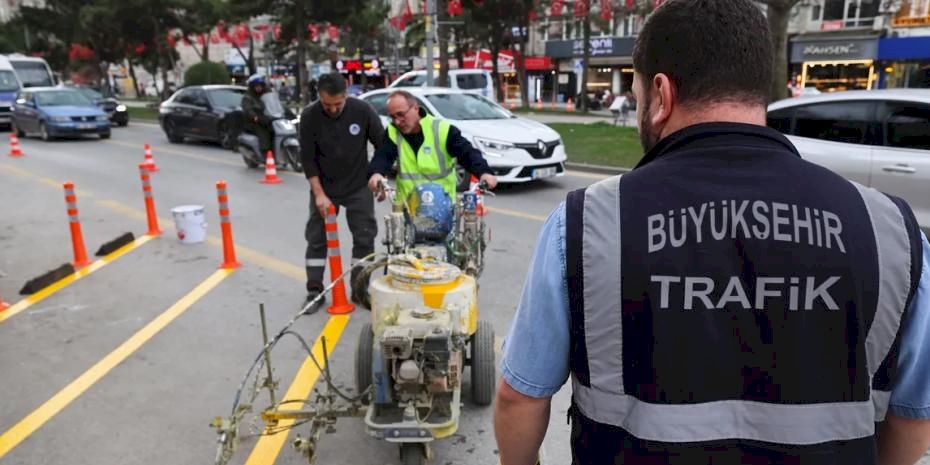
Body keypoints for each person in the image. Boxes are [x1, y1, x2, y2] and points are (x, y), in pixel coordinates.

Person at [493, 1, 930, 465]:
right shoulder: (891, 232)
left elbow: (519, 398)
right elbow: (914, 415)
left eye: (637, 97)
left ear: (661, 95)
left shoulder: (586, 223)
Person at [299, 72, 385, 313]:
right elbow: (307, 159)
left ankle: (359, 289)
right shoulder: (310, 116)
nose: (333, 109)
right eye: (327, 104)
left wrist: (378, 175)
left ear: (346, 95)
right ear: (319, 97)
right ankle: (314, 291)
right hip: (324, 187)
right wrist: (319, 194)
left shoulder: (362, 111)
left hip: (358, 185)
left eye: (338, 104)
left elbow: (383, 145)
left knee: (364, 237)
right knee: (317, 239)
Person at [367, 90, 497, 206]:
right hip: (408, 206)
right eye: (393, 117)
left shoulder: (442, 130)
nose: (397, 122)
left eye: (401, 114)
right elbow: (383, 156)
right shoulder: (392, 132)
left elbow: (467, 153)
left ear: (415, 108)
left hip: (443, 206)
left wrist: (484, 172)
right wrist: (377, 174)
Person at [241, 74, 273, 157]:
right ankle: (264, 151)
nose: (259, 88)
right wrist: (254, 116)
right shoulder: (247, 97)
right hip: (253, 121)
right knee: (263, 132)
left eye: (260, 86)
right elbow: (248, 109)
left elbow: (273, 104)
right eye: (257, 86)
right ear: (252, 87)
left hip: (265, 119)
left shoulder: (265, 95)